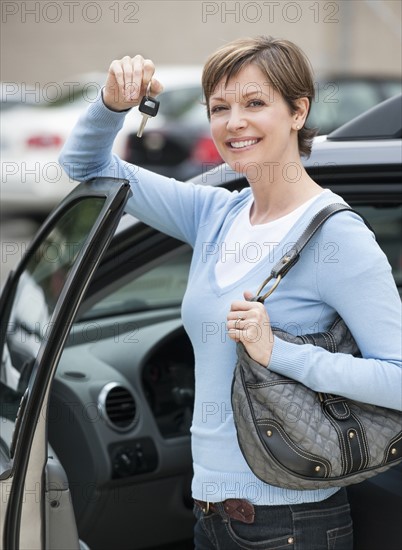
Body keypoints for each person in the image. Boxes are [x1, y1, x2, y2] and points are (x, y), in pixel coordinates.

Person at [59, 36, 402, 549]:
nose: (233, 122)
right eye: (219, 108)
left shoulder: (335, 234)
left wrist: (280, 353)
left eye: (255, 103)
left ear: (298, 110)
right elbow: (87, 167)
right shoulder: (216, 214)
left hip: (291, 526)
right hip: (213, 516)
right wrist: (111, 103)